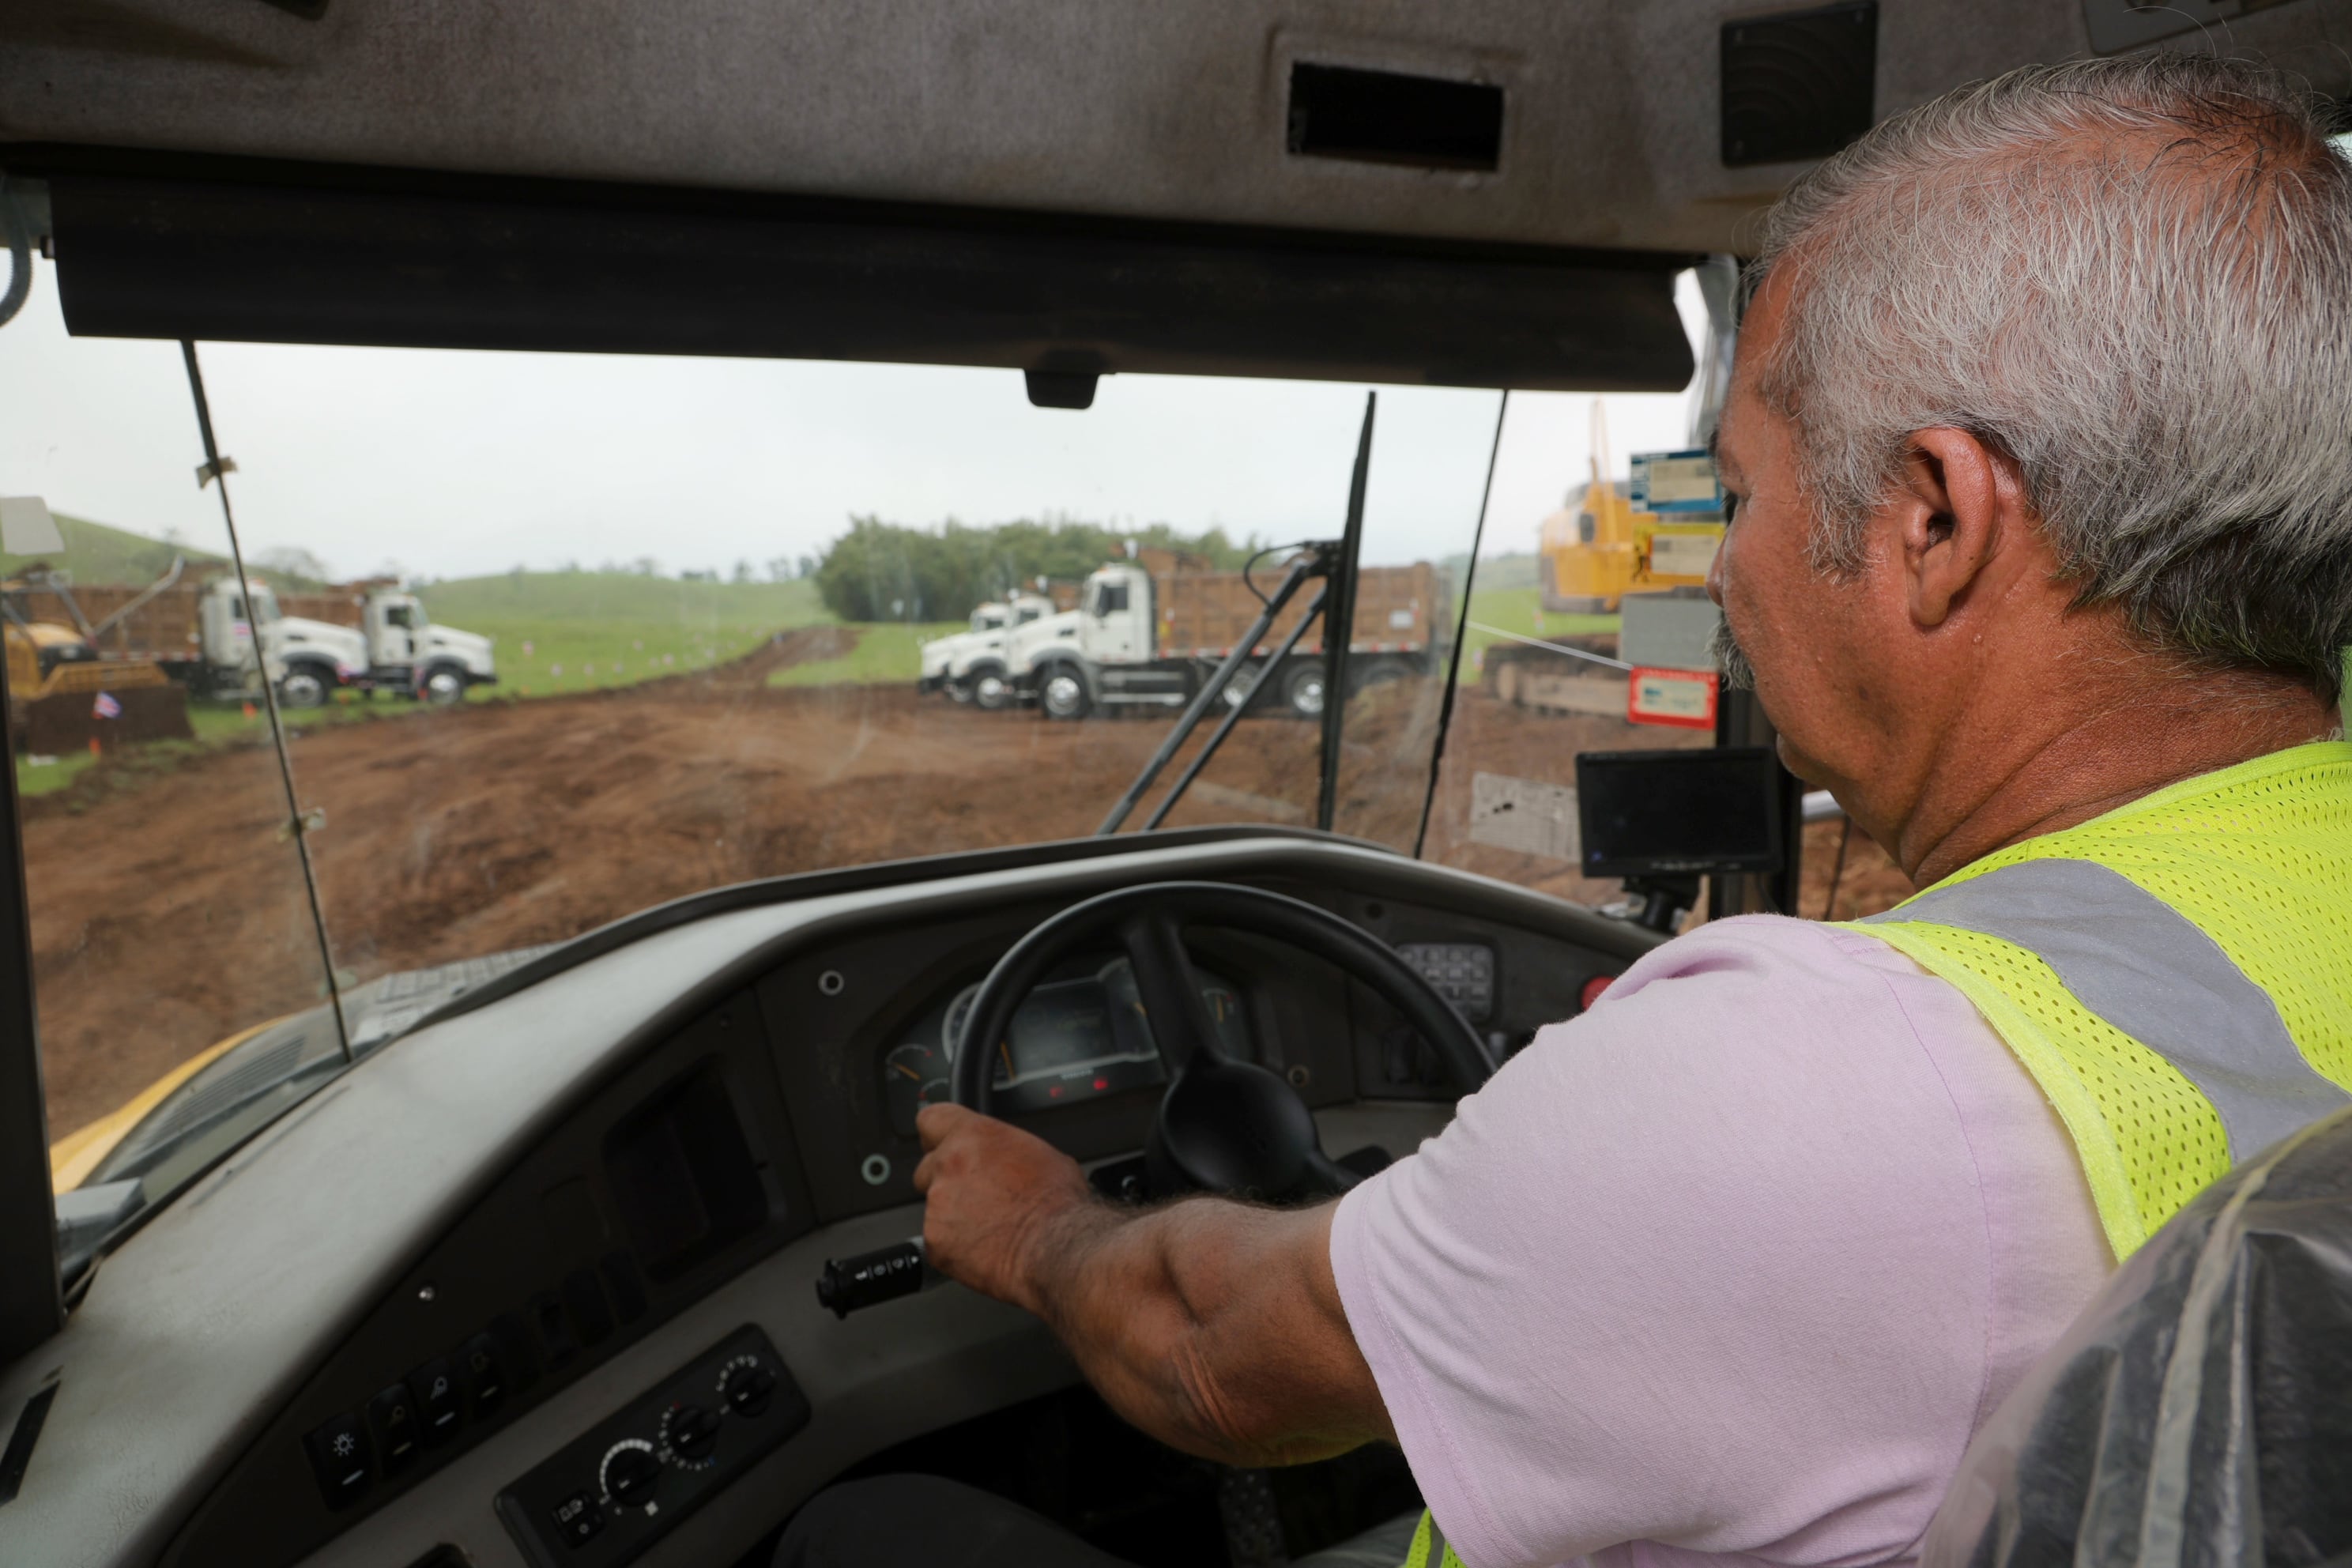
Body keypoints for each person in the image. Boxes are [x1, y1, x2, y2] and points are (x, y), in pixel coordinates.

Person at [781, 53, 2352, 1568]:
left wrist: (1039, 1219)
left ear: (1932, 518)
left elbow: (1211, 1355)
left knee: (866, 1527)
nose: (1722, 570)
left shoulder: (1801, 1082)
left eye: (1739, 490)